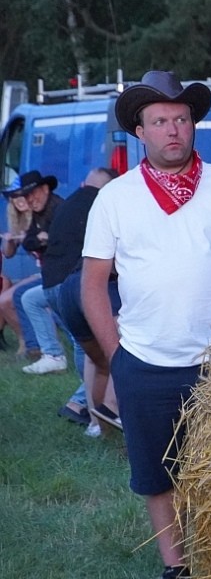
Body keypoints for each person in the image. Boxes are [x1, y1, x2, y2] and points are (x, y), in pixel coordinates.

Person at [81, 70, 211, 579]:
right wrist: (118, 357)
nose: (172, 130)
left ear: (193, 125)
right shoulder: (116, 198)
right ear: (139, 131)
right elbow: (93, 285)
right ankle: (177, 571)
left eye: (181, 119)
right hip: (143, 358)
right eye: (160, 120)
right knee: (156, 473)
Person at [42, 167, 120, 426]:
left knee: (95, 359)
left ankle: (95, 424)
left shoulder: (68, 202)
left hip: (58, 289)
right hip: (88, 287)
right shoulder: (108, 204)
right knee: (121, 353)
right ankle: (104, 410)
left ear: (85, 182)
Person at [8, 170, 68, 372]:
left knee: (51, 304)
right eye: (26, 196)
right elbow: (28, 242)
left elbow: (64, 245)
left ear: (45, 189)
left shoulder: (60, 209)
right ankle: (50, 353)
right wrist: (41, 239)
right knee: (27, 298)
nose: (29, 200)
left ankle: (57, 353)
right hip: (53, 276)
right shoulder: (38, 215)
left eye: (32, 193)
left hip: (68, 277)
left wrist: (46, 239)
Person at [0, 187, 36, 354]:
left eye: (21, 196)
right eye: (14, 198)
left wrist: (31, 240)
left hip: (50, 272)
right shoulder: (19, 220)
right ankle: (27, 341)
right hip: (42, 272)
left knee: (7, 297)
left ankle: (31, 343)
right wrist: (9, 240)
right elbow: (8, 254)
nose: (18, 200)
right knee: (5, 291)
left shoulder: (40, 217)